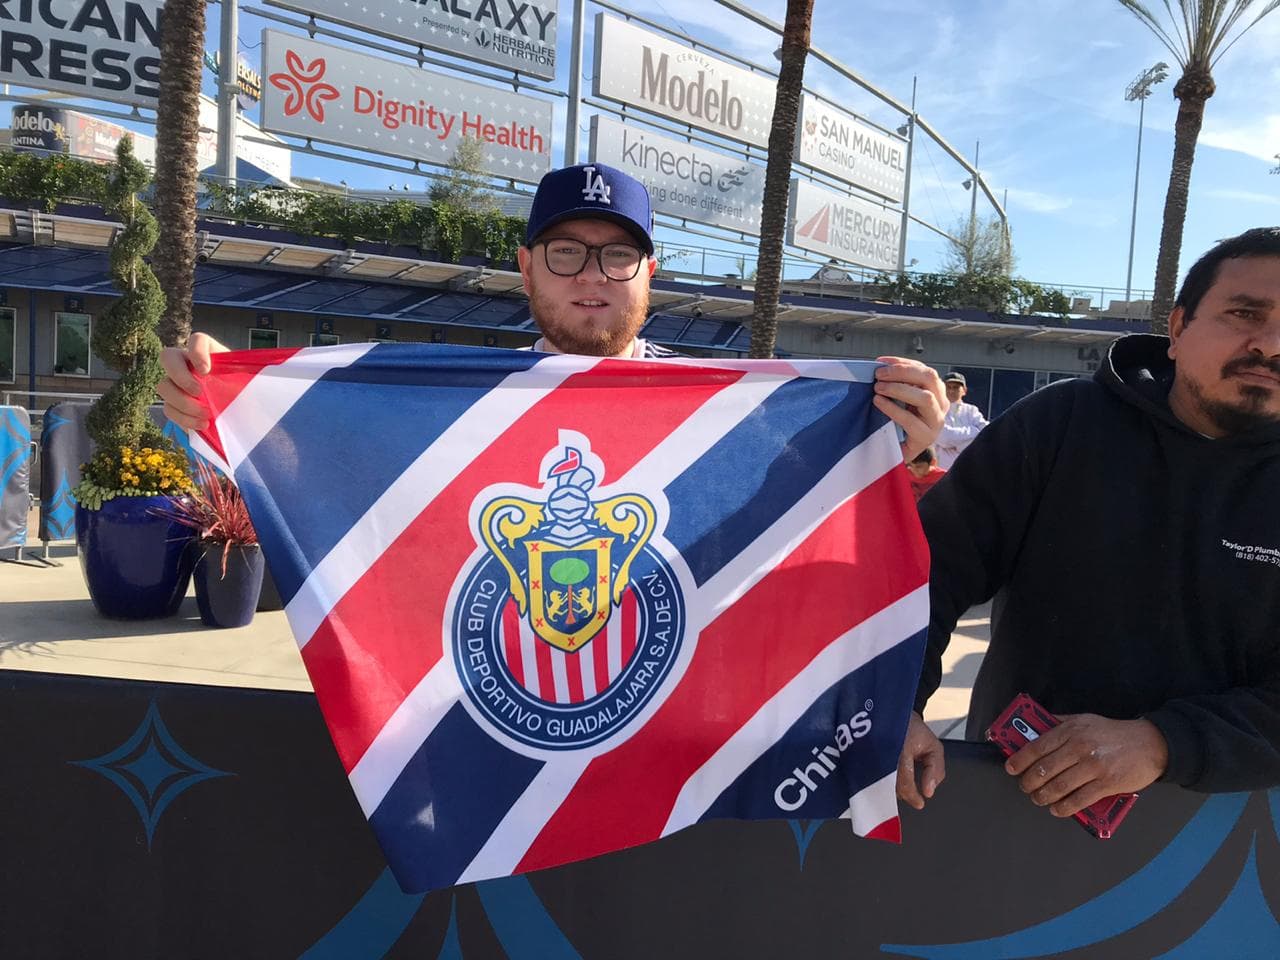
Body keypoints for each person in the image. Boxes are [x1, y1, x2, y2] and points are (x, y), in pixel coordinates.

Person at [159, 163, 947, 461]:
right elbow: (331, 478)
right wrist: (224, 404)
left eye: (618, 254)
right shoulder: (458, 404)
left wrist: (899, 444)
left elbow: (809, 499)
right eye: (566, 252)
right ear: (527, 266)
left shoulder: (726, 410)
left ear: (650, 275)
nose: (592, 276)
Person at [898, 227, 1280, 821]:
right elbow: (925, 570)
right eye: (1245, 313)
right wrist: (897, 705)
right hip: (1014, 806)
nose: (1270, 345)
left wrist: (1163, 742)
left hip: (1230, 834)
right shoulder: (1061, 425)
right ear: (1178, 328)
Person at [934, 372, 988, 470]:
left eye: (955, 387)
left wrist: (954, 443)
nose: (951, 391)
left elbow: (985, 433)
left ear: (964, 391)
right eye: (948, 387)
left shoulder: (972, 410)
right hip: (942, 471)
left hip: (968, 469)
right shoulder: (935, 410)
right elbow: (944, 438)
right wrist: (973, 431)